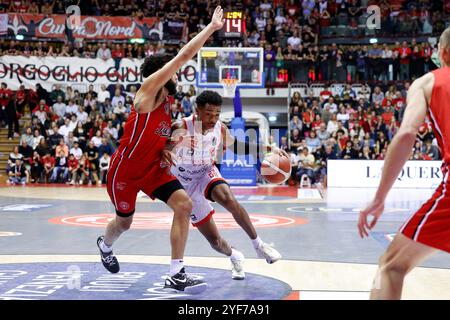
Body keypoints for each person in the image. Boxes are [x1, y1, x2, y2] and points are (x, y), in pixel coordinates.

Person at [96, 6, 224, 294]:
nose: (179, 77)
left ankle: (176, 272)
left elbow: (160, 134)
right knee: (123, 224)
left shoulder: (167, 106)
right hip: (125, 172)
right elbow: (183, 56)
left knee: (184, 205)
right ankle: (105, 245)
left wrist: (168, 144)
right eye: (174, 74)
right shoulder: (148, 91)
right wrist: (211, 28)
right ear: (162, 75)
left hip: (153, 169)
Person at [358, 27, 450, 300]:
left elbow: (408, 133)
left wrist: (379, 198)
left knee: (390, 266)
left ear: (443, 53)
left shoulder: (429, 82)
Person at [163, 91, 283, 280]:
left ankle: (259, 245)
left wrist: (264, 148)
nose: (213, 119)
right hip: (183, 186)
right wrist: (167, 149)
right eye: (209, 114)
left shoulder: (219, 128)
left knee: (228, 198)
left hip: (205, 173)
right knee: (216, 241)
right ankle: (235, 256)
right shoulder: (181, 128)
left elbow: (236, 146)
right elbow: (161, 150)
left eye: (217, 114)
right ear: (197, 111)